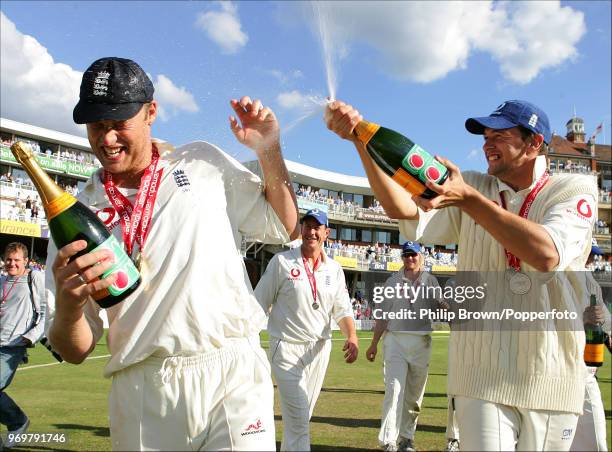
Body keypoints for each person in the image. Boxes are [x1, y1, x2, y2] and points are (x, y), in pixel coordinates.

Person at [45, 57, 298, 451]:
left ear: (151, 112)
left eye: (118, 124)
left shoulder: (201, 162)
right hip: (143, 388)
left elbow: (285, 226)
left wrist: (269, 148)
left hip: (231, 370)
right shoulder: (76, 215)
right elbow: (73, 349)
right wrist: (68, 307)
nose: (107, 139)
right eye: (97, 126)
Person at [326, 99, 598, 451]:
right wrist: (359, 141)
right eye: (485, 135)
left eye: (499, 135)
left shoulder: (574, 189)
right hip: (478, 375)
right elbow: (403, 209)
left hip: (550, 377)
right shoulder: (471, 184)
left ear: (534, 143)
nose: (487, 143)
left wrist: (467, 199)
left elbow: (545, 255)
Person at [254, 209, 358, 451]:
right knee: (300, 420)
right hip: (287, 347)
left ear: (326, 233)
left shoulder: (334, 269)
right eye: (307, 226)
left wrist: (352, 336)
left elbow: (342, 310)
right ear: (301, 230)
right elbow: (259, 302)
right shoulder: (281, 262)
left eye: (317, 227)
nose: (311, 231)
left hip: (319, 350)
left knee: (298, 421)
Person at [366, 241, 440, 452]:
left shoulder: (431, 281)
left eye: (413, 255)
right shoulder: (392, 282)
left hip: (421, 342)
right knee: (394, 391)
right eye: (406, 255)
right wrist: (373, 344)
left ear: (421, 257)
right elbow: (382, 316)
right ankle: (388, 440)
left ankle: (406, 438)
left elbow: (442, 307)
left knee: (414, 396)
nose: (409, 259)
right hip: (395, 341)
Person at [1, 242, 46, 448]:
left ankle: (18, 422)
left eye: (16, 260)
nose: (12, 263)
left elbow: (45, 311)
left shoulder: (33, 277)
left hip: (14, 344)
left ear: (26, 261)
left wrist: (32, 336)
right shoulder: (2, 279)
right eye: (8, 259)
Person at [570, 243, 610, 452]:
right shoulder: (545, 273)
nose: (589, 260)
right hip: (552, 373)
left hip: (585, 374)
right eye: (587, 253)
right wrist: (580, 318)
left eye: (592, 256)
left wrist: (603, 325)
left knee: (597, 444)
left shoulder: (590, 282)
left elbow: (608, 329)